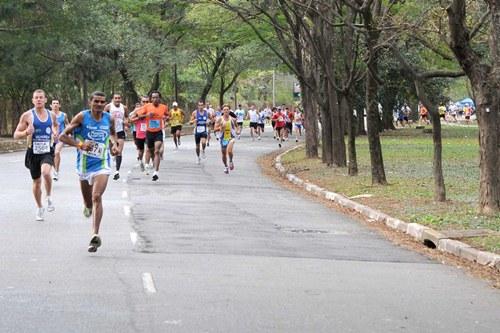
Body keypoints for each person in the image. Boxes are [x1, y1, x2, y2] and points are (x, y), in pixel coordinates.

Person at [59, 91, 118, 252]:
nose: (99, 104)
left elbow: (112, 135)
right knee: (88, 202)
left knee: (97, 196)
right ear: (90, 102)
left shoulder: (108, 118)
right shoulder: (81, 117)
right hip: (84, 166)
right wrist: (80, 145)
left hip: (102, 164)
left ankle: (95, 235)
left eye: (102, 102)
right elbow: (62, 137)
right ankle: (88, 207)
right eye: (96, 101)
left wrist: (113, 145)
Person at [14, 89, 59, 221]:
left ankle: (49, 196)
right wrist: (26, 132)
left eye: (41, 97)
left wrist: (55, 132)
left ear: (45, 100)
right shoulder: (27, 116)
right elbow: (16, 134)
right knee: (37, 182)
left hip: (47, 150)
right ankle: (39, 207)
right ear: (33, 100)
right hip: (33, 152)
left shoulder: (51, 115)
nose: (38, 99)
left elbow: (55, 126)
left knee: (46, 173)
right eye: (36, 98)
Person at [138, 91, 169, 181]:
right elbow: (139, 116)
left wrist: (166, 118)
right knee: (150, 151)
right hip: (149, 132)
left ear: (160, 98)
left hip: (158, 132)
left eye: (157, 97)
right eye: (153, 97)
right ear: (151, 99)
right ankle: (149, 163)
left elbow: (167, 115)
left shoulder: (164, 107)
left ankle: (156, 172)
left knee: (157, 151)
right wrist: (147, 115)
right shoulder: (147, 106)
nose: (155, 99)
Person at [104, 93, 128, 180]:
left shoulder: (124, 107)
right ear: (113, 99)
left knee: (119, 151)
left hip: (120, 131)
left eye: (119, 98)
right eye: (116, 98)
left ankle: (117, 171)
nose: (117, 100)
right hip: (110, 131)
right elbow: (102, 116)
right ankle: (114, 155)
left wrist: (125, 124)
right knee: (112, 152)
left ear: (121, 99)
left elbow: (126, 118)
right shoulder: (108, 107)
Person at [214, 104, 238, 174]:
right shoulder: (219, 119)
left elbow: (237, 126)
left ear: (229, 110)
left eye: (227, 109)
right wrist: (220, 128)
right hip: (223, 138)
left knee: (229, 151)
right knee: (224, 154)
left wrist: (238, 130)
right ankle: (226, 166)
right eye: (224, 110)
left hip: (231, 137)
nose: (226, 111)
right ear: (222, 111)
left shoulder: (232, 119)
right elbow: (215, 129)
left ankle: (230, 160)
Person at [129, 97, 150, 172]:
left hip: (149, 132)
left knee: (149, 148)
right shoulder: (138, 110)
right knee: (141, 151)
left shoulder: (151, 109)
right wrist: (139, 117)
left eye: (147, 101)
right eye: (143, 101)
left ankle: (147, 164)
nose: (145, 103)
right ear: (141, 102)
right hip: (140, 133)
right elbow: (130, 120)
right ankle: (141, 161)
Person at [51, 99, 69, 181]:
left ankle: (56, 172)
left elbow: (67, 125)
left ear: (59, 105)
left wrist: (69, 133)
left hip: (60, 138)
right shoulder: (48, 114)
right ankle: (55, 168)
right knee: (51, 156)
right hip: (50, 138)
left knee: (57, 152)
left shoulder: (63, 115)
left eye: (57, 103)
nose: (55, 105)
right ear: (51, 105)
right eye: (54, 103)